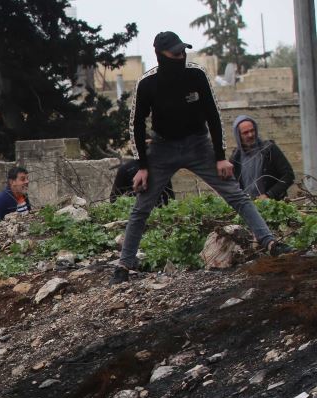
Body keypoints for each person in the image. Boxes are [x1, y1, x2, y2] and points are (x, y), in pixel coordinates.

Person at [113, 31, 293, 283]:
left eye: (183, 51)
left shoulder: (195, 74)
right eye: (175, 53)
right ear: (161, 55)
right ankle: (124, 265)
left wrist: (220, 157)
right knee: (142, 207)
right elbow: (136, 125)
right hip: (163, 148)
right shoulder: (147, 83)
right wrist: (143, 165)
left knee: (236, 194)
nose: (181, 56)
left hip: (198, 144)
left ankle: (270, 242)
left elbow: (213, 114)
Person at [231, 114, 295, 201]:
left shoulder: (269, 150)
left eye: (252, 130)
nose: (250, 135)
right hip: (249, 207)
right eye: (245, 133)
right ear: (238, 136)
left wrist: (269, 195)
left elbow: (288, 175)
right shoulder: (236, 158)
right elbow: (232, 185)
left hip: (273, 205)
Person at [110, 159, 174, 207]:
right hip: (133, 212)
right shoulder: (125, 169)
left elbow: (170, 197)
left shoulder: (161, 168)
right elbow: (114, 197)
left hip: (157, 213)